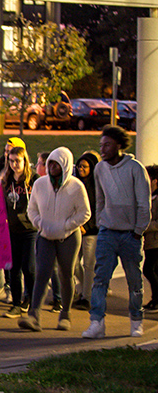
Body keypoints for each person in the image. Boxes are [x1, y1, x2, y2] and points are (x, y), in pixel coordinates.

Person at [82, 125, 151, 339]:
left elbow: (144, 202)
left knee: (134, 280)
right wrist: (102, 221)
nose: (102, 149)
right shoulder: (100, 169)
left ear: (119, 146)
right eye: (101, 145)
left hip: (130, 234)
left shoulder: (135, 169)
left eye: (107, 145)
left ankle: (136, 320)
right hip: (107, 232)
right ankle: (97, 323)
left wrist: (138, 231)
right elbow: (100, 198)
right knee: (100, 278)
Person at [18, 147, 90, 332]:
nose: (52, 167)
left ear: (65, 166)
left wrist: (67, 225)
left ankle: (65, 314)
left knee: (66, 274)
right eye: (50, 163)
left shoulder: (76, 186)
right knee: (42, 273)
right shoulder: (40, 184)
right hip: (45, 236)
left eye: (56, 164)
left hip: (68, 238)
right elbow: (31, 209)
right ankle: (34, 316)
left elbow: (85, 213)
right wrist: (40, 223)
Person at [0, 145, 38, 318]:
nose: (14, 164)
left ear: (25, 161)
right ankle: (16, 303)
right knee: (13, 268)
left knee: (29, 267)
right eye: (11, 161)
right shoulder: (7, 180)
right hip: (12, 229)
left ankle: (30, 299)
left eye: (18, 161)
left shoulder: (34, 180)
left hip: (30, 229)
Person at [72, 151, 101, 310]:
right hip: (76, 229)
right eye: (79, 166)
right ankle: (84, 289)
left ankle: (86, 297)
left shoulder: (97, 186)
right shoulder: (75, 184)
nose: (81, 169)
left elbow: (97, 209)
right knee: (74, 264)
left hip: (91, 231)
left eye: (85, 166)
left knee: (89, 265)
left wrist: (86, 226)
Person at [143, 165, 158, 312]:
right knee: (153, 270)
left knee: (149, 269)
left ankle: (156, 300)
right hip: (150, 242)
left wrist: (145, 226)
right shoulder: (149, 197)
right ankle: (155, 299)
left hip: (155, 241)